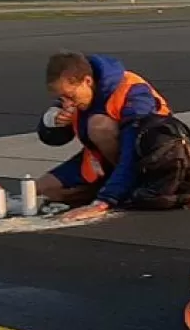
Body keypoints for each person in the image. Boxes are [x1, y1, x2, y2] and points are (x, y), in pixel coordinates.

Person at [35, 51, 172, 222]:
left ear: (87, 81)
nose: (67, 103)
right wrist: (52, 122)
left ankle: (124, 189)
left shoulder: (133, 92)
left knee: (98, 125)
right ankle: (104, 187)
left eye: (69, 96)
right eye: (61, 98)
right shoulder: (78, 93)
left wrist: (105, 201)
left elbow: (132, 151)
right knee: (42, 188)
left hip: (151, 161)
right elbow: (54, 140)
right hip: (100, 158)